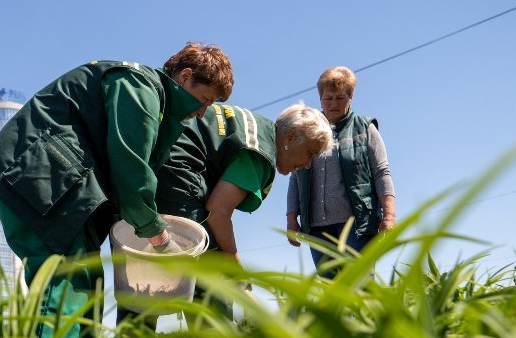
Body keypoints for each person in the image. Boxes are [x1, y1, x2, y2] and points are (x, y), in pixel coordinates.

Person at [0, 43, 234, 338]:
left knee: (86, 282)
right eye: (204, 100)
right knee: (65, 280)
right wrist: (163, 241)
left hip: (62, 186)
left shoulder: (157, 103)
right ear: (186, 76)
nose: (202, 111)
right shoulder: (139, 87)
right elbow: (131, 169)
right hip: (41, 177)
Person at [117, 101, 332, 324]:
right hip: (178, 183)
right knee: (210, 274)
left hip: (146, 172)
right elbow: (217, 211)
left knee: (143, 277)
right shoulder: (260, 152)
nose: (308, 164)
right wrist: (232, 259)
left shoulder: (254, 128)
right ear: (289, 138)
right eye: (310, 153)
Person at [286, 66, 396, 276]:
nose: (334, 104)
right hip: (318, 227)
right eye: (328, 98)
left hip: (358, 224)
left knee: (360, 284)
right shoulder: (307, 132)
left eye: (340, 98)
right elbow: (295, 177)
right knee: (330, 289)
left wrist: (389, 215)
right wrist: (292, 218)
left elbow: (382, 172)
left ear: (351, 97)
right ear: (320, 99)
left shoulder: (365, 128)